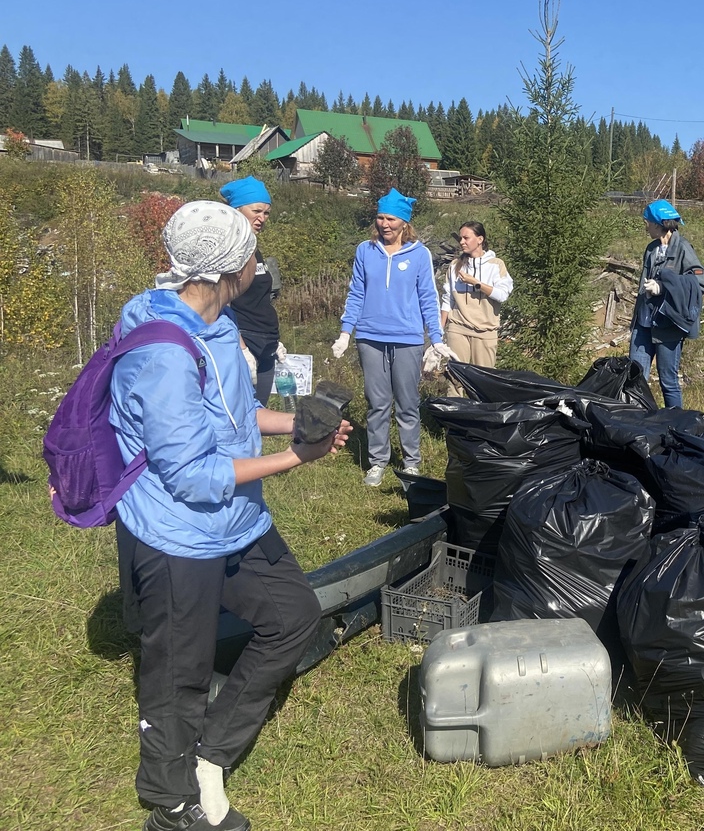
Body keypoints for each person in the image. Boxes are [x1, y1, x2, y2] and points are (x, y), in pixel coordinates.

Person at [109, 200, 351, 831]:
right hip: (176, 531)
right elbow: (191, 475)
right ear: (225, 269)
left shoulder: (216, 322)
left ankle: (210, 754)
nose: (258, 263)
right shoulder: (160, 349)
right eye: (251, 254)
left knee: (292, 614)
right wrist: (297, 459)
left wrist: (298, 425)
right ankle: (170, 803)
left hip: (235, 520)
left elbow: (236, 420)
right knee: (178, 673)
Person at [331, 189, 452, 486]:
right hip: (370, 337)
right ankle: (378, 461)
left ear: (404, 222)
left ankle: (411, 462)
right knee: (377, 402)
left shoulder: (419, 254)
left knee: (408, 403)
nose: (384, 224)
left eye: (391, 219)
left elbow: (427, 297)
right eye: (380, 217)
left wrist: (435, 338)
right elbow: (356, 293)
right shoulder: (365, 250)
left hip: (407, 338)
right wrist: (346, 333)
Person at [629, 199, 704, 408]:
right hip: (643, 324)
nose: (645, 227)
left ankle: (676, 428)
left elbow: (699, 284)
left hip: (668, 326)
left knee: (668, 382)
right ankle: (634, 426)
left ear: (657, 224)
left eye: (647, 223)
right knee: (634, 379)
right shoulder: (651, 249)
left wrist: (662, 288)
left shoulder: (683, 248)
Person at [220, 176, 286, 405]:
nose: (262, 218)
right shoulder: (228, 249)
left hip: (266, 342)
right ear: (236, 210)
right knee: (243, 418)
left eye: (266, 213)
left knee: (260, 418)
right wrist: (241, 348)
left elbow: (259, 298)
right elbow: (222, 302)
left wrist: (274, 339)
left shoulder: (253, 246)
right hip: (245, 342)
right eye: (256, 211)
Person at [440, 220, 513, 368]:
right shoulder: (455, 266)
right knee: (456, 378)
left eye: (466, 238)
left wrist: (476, 283)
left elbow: (502, 295)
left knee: (484, 379)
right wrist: (439, 330)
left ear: (480, 239)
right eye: (460, 238)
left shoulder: (496, 265)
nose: (462, 242)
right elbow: (448, 299)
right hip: (458, 328)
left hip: (485, 331)